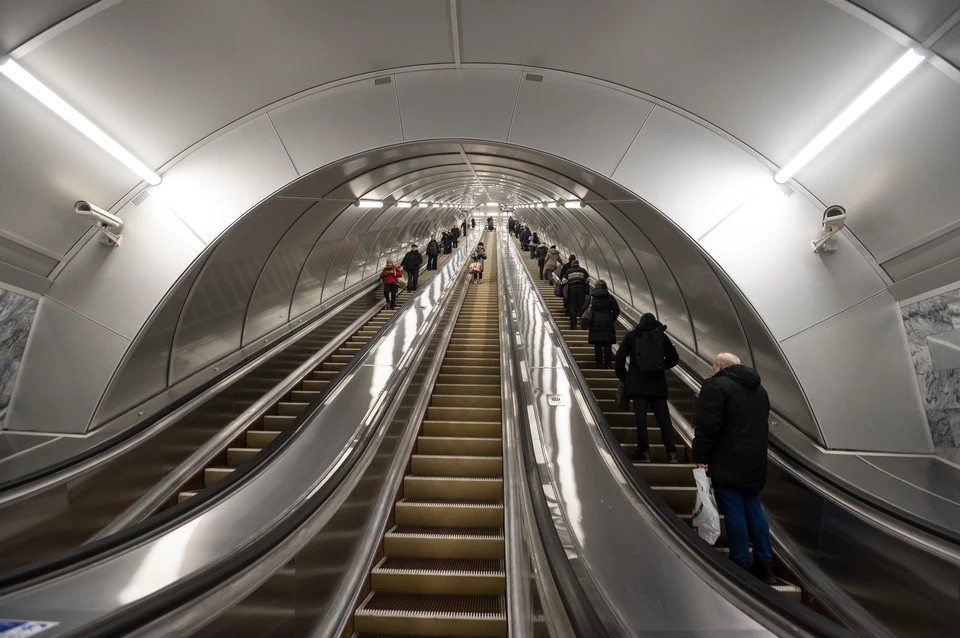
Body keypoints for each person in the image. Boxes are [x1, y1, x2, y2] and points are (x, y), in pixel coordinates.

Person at [693, 353, 775, 585]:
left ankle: (739, 560)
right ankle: (765, 563)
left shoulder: (716, 386)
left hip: (726, 458)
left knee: (732, 509)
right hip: (755, 460)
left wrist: (701, 456)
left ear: (718, 366)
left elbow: (708, 425)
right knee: (753, 507)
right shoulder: (760, 390)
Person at [615, 313, 680, 465]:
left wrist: (623, 377)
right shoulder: (662, 337)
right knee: (664, 419)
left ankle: (644, 452)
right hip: (657, 384)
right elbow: (674, 358)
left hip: (637, 384)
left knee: (641, 419)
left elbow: (620, 357)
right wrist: (660, 367)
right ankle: (672, 452)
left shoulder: (632, 335)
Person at [587, 280, 620, 368]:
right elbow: (616, 311)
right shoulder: (611, 298)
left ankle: (599, 363)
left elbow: (585, 308)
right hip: (608, 323)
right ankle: (608, 364)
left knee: (597, 344)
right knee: (607, 344)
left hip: (595, 323)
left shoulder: (592, 298)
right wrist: (611, 318)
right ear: (605, 286)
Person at [562, 260, 589, 329]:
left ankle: (574, 325)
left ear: (571, 264)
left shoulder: (568, 271)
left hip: (572, 290)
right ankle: (583, 325)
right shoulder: (583, 270)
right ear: (578, 264)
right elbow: (588, 280)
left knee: (572, 308)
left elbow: (564, 281)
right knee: (582, 307)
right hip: (581, 290)